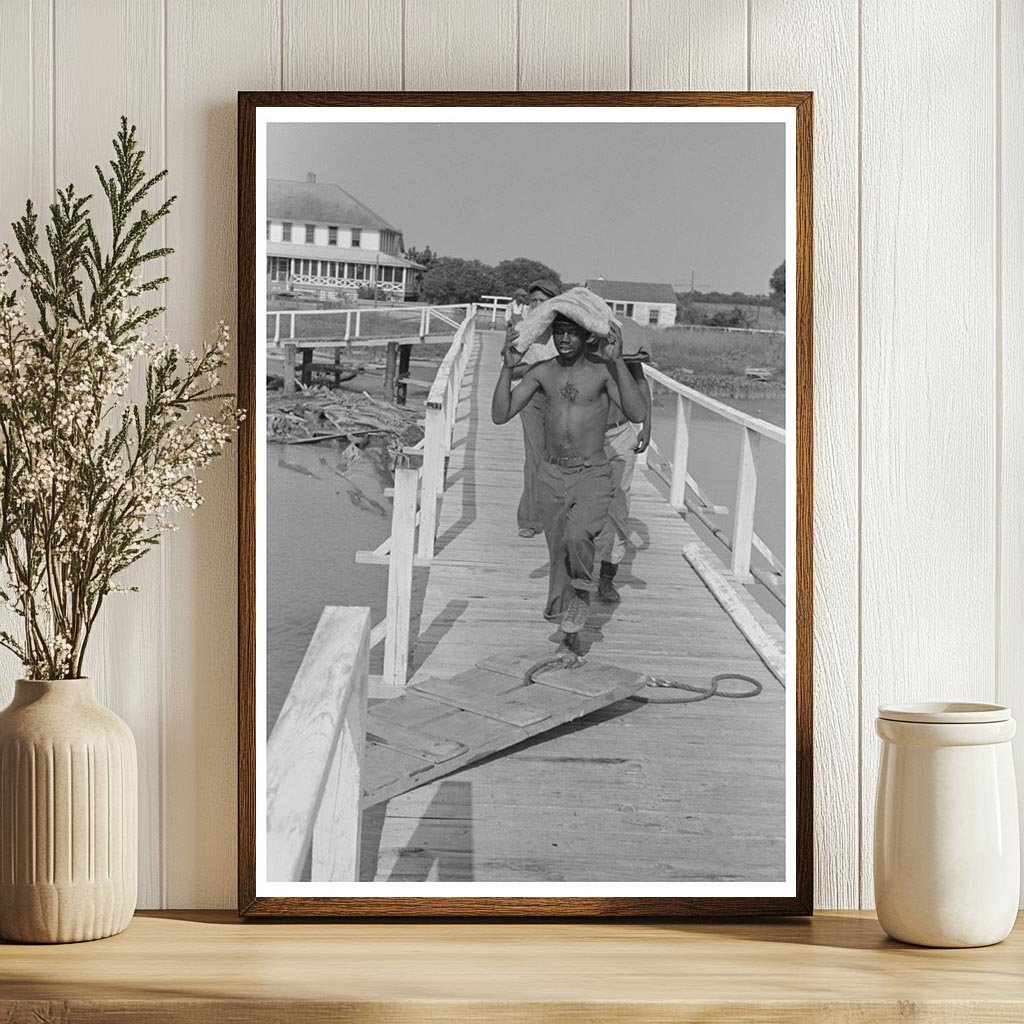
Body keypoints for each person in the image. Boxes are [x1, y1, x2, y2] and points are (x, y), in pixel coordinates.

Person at [492, 308, 647, 656]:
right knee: (559, 552)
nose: (564, 339)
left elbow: (637, 413)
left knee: (578, 535)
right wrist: (507, 367)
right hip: (551, 475)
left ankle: (582, 590)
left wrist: (619, 362)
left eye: (572, 333)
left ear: (586, 336)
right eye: (559, 332)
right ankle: (569, 633)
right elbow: (500, 414)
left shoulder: (603, 372)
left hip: (592, 472)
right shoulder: (542, 372)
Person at [593, 319, 652, 603]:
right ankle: (572, 573)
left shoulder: (623, 348)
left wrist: (647, 426)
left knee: (618, 507)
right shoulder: (582, 346)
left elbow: (641, 385)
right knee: (578, 502)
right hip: (584, 437)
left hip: (619, 433)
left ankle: (606, 578)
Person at [505, 278, 560, 538]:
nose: (538, 306)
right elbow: (510, 367)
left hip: (562, 400)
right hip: (532, 398)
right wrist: (535, 369)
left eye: (543, 301)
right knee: (535, 457)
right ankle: (529, 518)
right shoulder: (523, 329)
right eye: (533, 301)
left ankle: (557, 514)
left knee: (560, 458)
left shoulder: (564, 331)